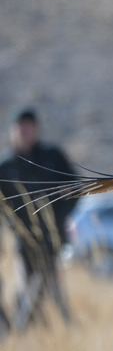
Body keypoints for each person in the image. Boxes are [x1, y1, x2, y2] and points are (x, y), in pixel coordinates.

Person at [0, 107, 76, 328]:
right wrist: (12, 224)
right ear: (12, 131)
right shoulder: (5, 166)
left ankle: (32, 326)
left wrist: (58, 215)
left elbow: (75, 187)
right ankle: (29, 327)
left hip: (53, 237)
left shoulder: (53, 157)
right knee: (31, 285)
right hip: (22, 239)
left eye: (28, 126)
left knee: (45, 282)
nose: (24, 131)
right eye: (19, 127)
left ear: (36, 129)